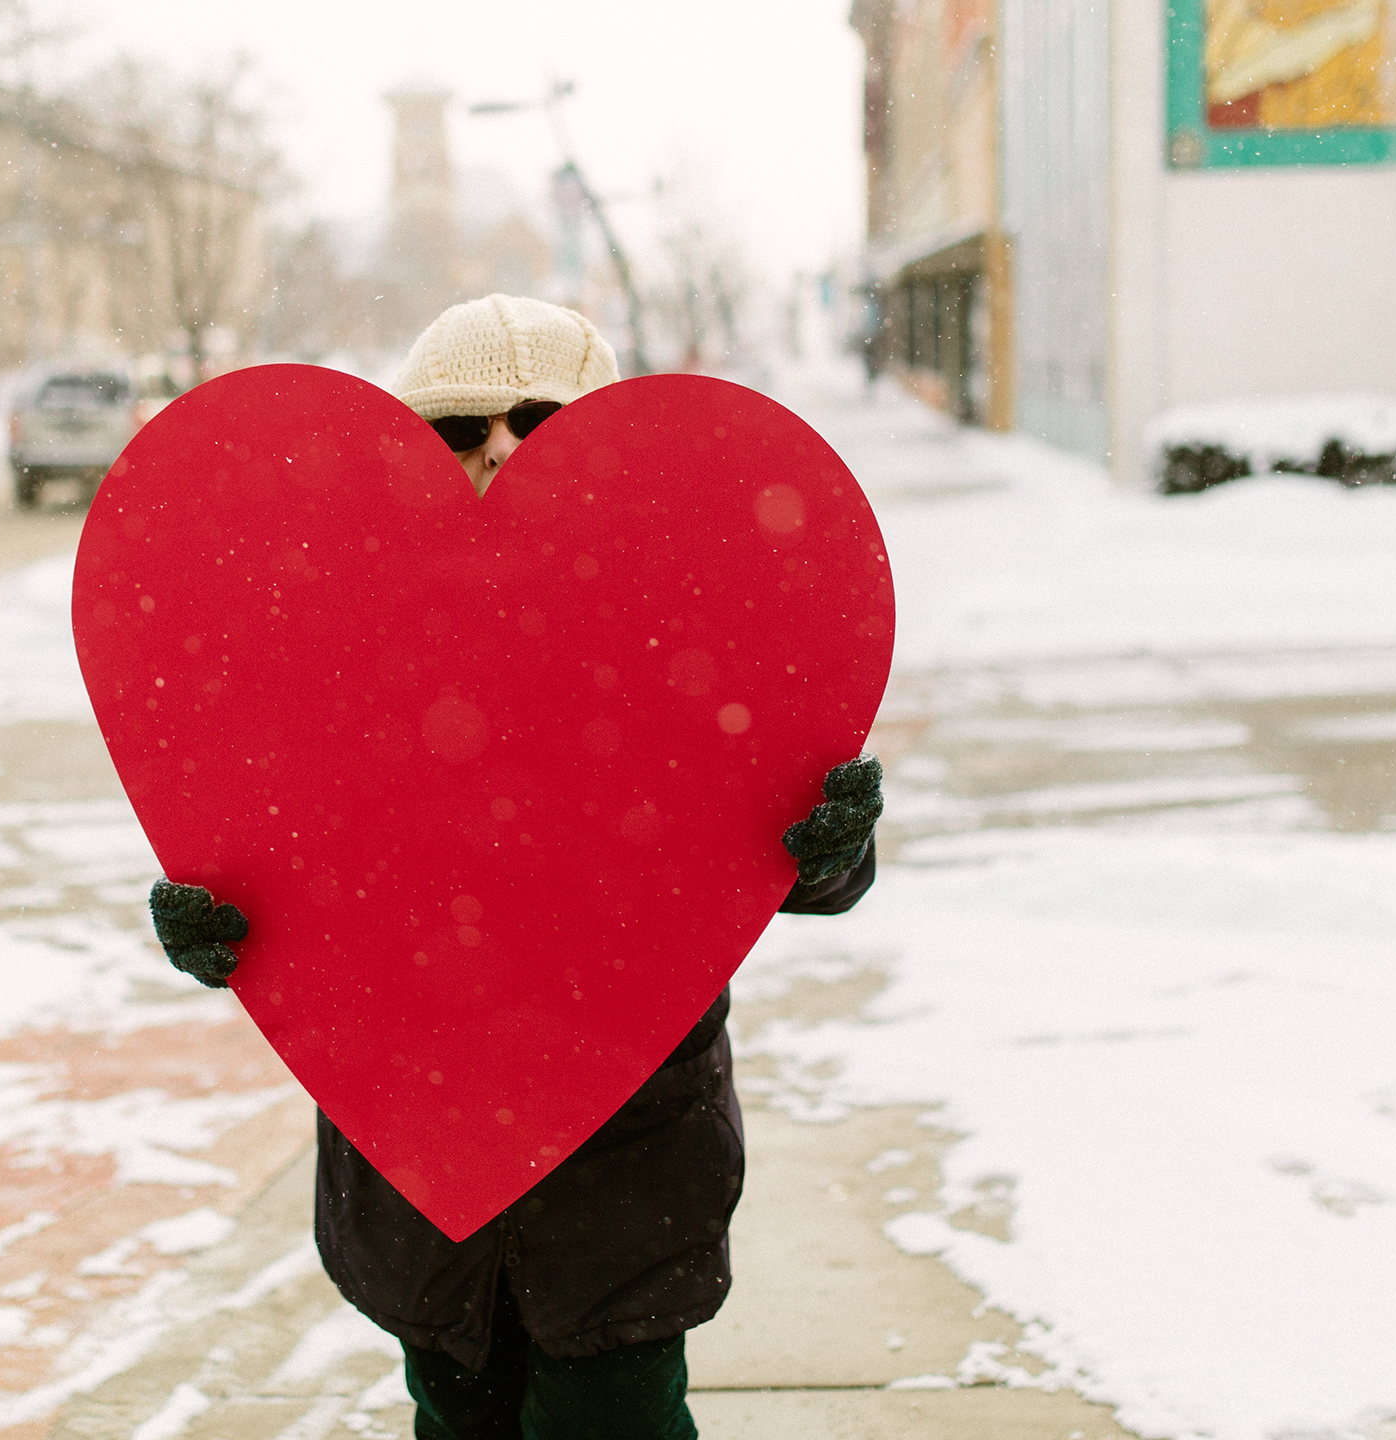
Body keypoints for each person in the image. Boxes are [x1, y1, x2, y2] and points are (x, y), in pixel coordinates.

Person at [146, 295, 882, 1440]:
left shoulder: (677, 636)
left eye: (542, 420)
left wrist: (831, 848)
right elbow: (282, 853)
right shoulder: (344, 647)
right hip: (413, 1175)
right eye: (457, 426)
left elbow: (772, 855)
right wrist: (219, 920)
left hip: (626, 1176)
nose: (499, 447)